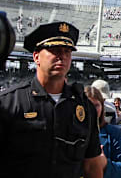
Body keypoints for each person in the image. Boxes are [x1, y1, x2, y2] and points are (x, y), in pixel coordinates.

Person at [0, 22, 105, 177]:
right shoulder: (10, 103)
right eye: (54, 50)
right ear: (36, 57)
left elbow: (92, 165)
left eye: (67, 51)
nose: (61, 56)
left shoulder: (84, 107)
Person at [85, 86, 121, 178]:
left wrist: (105, 163)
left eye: (96, 105)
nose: (92, 110)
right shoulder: (70, 132)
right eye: (88, 105)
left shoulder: (113, 132)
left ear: (102, 107)